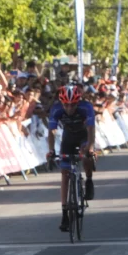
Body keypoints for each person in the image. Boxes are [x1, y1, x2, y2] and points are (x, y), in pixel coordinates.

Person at [47, 85, 96, 232]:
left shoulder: (86, 107)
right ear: (61, 103)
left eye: (73, 105)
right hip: (68, 138)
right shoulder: (56, 109)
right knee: (65, 174)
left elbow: (91, 130)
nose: (69, 108)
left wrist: (90, 148)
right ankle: (64, 214)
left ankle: (88, 179)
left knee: (86, 155)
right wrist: (51, 150)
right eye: (66, 105)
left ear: (78, 102)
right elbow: (52, 132)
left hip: (84, 137)